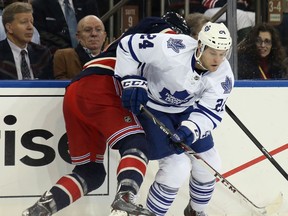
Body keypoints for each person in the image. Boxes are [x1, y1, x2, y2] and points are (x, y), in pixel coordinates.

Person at [21, 12, 190, 216]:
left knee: (91, 173)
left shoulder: (140, 39)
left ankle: (40, 209)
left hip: (77, 90)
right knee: (136, 143)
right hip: (103, 84)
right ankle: (126, 197)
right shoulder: (162, 29)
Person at [114, 21, 233, 216]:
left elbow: (210, 112)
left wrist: (189, 130)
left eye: (222, 53)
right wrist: (132, 81)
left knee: (211, 162)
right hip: (151, 107)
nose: (218, 60)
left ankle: (196, 212)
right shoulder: (172, 47)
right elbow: (128, 45)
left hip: (185, 110)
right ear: (200, 46)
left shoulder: (224, 75)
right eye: (213, 52)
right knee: (177, 167)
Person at [0, 2, 53, 80]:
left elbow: (50, 86)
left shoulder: (42, 53)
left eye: (31, 22)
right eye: (24, 22)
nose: (30, 27)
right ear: (9, 28)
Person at [31, 0, 100, 54]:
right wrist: (68, 49)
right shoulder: (39, 4)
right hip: (57, 54)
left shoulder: (88, 2)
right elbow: (41, 33)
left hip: (88, 53)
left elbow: (97, 28)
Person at [53, 15, 106, 80]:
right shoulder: (64, 56)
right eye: (88, 30)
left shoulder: (112, 59)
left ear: (104, 36)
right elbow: (59, 85)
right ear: (78, 36)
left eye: (98, 30)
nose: (94, 34)